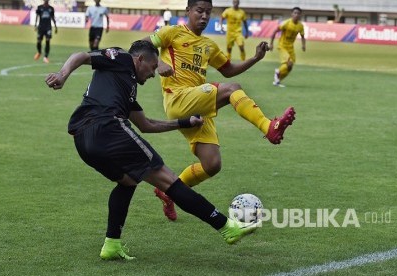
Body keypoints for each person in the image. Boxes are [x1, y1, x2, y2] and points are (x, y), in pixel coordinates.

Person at [44, 40, 261, 261]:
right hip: (107, 127)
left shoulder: (125, 88)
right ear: (139, 60)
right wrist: (62, 74)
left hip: (83, 139)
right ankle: (226, 227)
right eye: (152, 66)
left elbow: (146, 125)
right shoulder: (121, 57)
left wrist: (184, 123)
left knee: (128, 181)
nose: (153, 73)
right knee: (168, 180)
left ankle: (111, 244)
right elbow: (82, 55)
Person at [143, 0, 296, 221]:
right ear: (188, 11)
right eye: (199, 11)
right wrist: (157, 63)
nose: (204, 16)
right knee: (233, 90)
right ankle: (268, 127)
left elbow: (229, 70)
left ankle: (167, 192)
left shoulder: (208, 45)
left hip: (197, 105)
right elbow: (141, 44)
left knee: (212, 165)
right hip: (177, 99)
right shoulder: (172, 32)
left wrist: (255, 58)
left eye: (208, 12)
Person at [269, 7, 306, 87]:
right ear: (292, 14)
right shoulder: (286, 23)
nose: (296, 15)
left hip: (290, 48)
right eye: (295, 13)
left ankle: (277, 80)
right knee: (289, 63)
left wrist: (303, 45)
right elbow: (275, 32)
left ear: (300, 15)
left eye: (298, 13)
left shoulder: (300, 26)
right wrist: (271, 44)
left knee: (290, 67)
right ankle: (278, 71)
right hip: (282, 46)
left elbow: (302, 36)